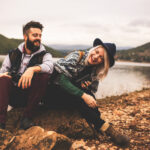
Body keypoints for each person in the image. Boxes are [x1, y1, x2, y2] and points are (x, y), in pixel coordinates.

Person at [44, 38, 130, 147]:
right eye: (97, 52)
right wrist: (83, 94)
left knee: (88, 96)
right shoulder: (77, 56)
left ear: (103, 62)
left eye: (101, 58)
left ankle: (100, 124)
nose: (95, 57)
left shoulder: (94, 71)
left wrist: (84, 89)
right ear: (93, 49)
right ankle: (108, 129)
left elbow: (91, 92)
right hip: (51, 93)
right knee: (80, 98)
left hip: (66, 96)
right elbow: (62, 81)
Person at [0, 21, 54, 130]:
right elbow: (3, 72)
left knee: (43, 75)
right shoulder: (13, 54)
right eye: (35, 35)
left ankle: (26, 119)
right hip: (13, 96)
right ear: (25, 36)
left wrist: (32, 69)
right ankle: (1, 122)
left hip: (31, 97)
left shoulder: (45, 54)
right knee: (3, 79)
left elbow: (49, 67)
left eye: (40, 35)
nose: (38, 38)